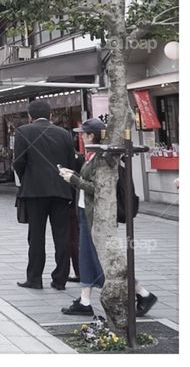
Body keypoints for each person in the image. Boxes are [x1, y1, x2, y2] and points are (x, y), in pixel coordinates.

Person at [58, 118, 157, 317]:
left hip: (97, 217)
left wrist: (73, 179)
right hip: (88, 213)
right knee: (89, 258)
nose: (81, 137)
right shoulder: (96, 155)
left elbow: (100, 189)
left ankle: (142, 293)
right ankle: (85, 300)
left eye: (83, 134)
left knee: (107, 261)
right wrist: (75, 175)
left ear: (91, 135)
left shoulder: (102, 158)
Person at [13, 99, 76, 290]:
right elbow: (70, 164)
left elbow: (18, 162)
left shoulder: (23, 132)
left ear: (30, 116)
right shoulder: (64, 133)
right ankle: (60, 279)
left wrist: (28, 178)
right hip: (61, 191)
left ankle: (34, 278)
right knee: (62, 236)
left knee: (36, 236)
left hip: (34, 192)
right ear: (51, 115)